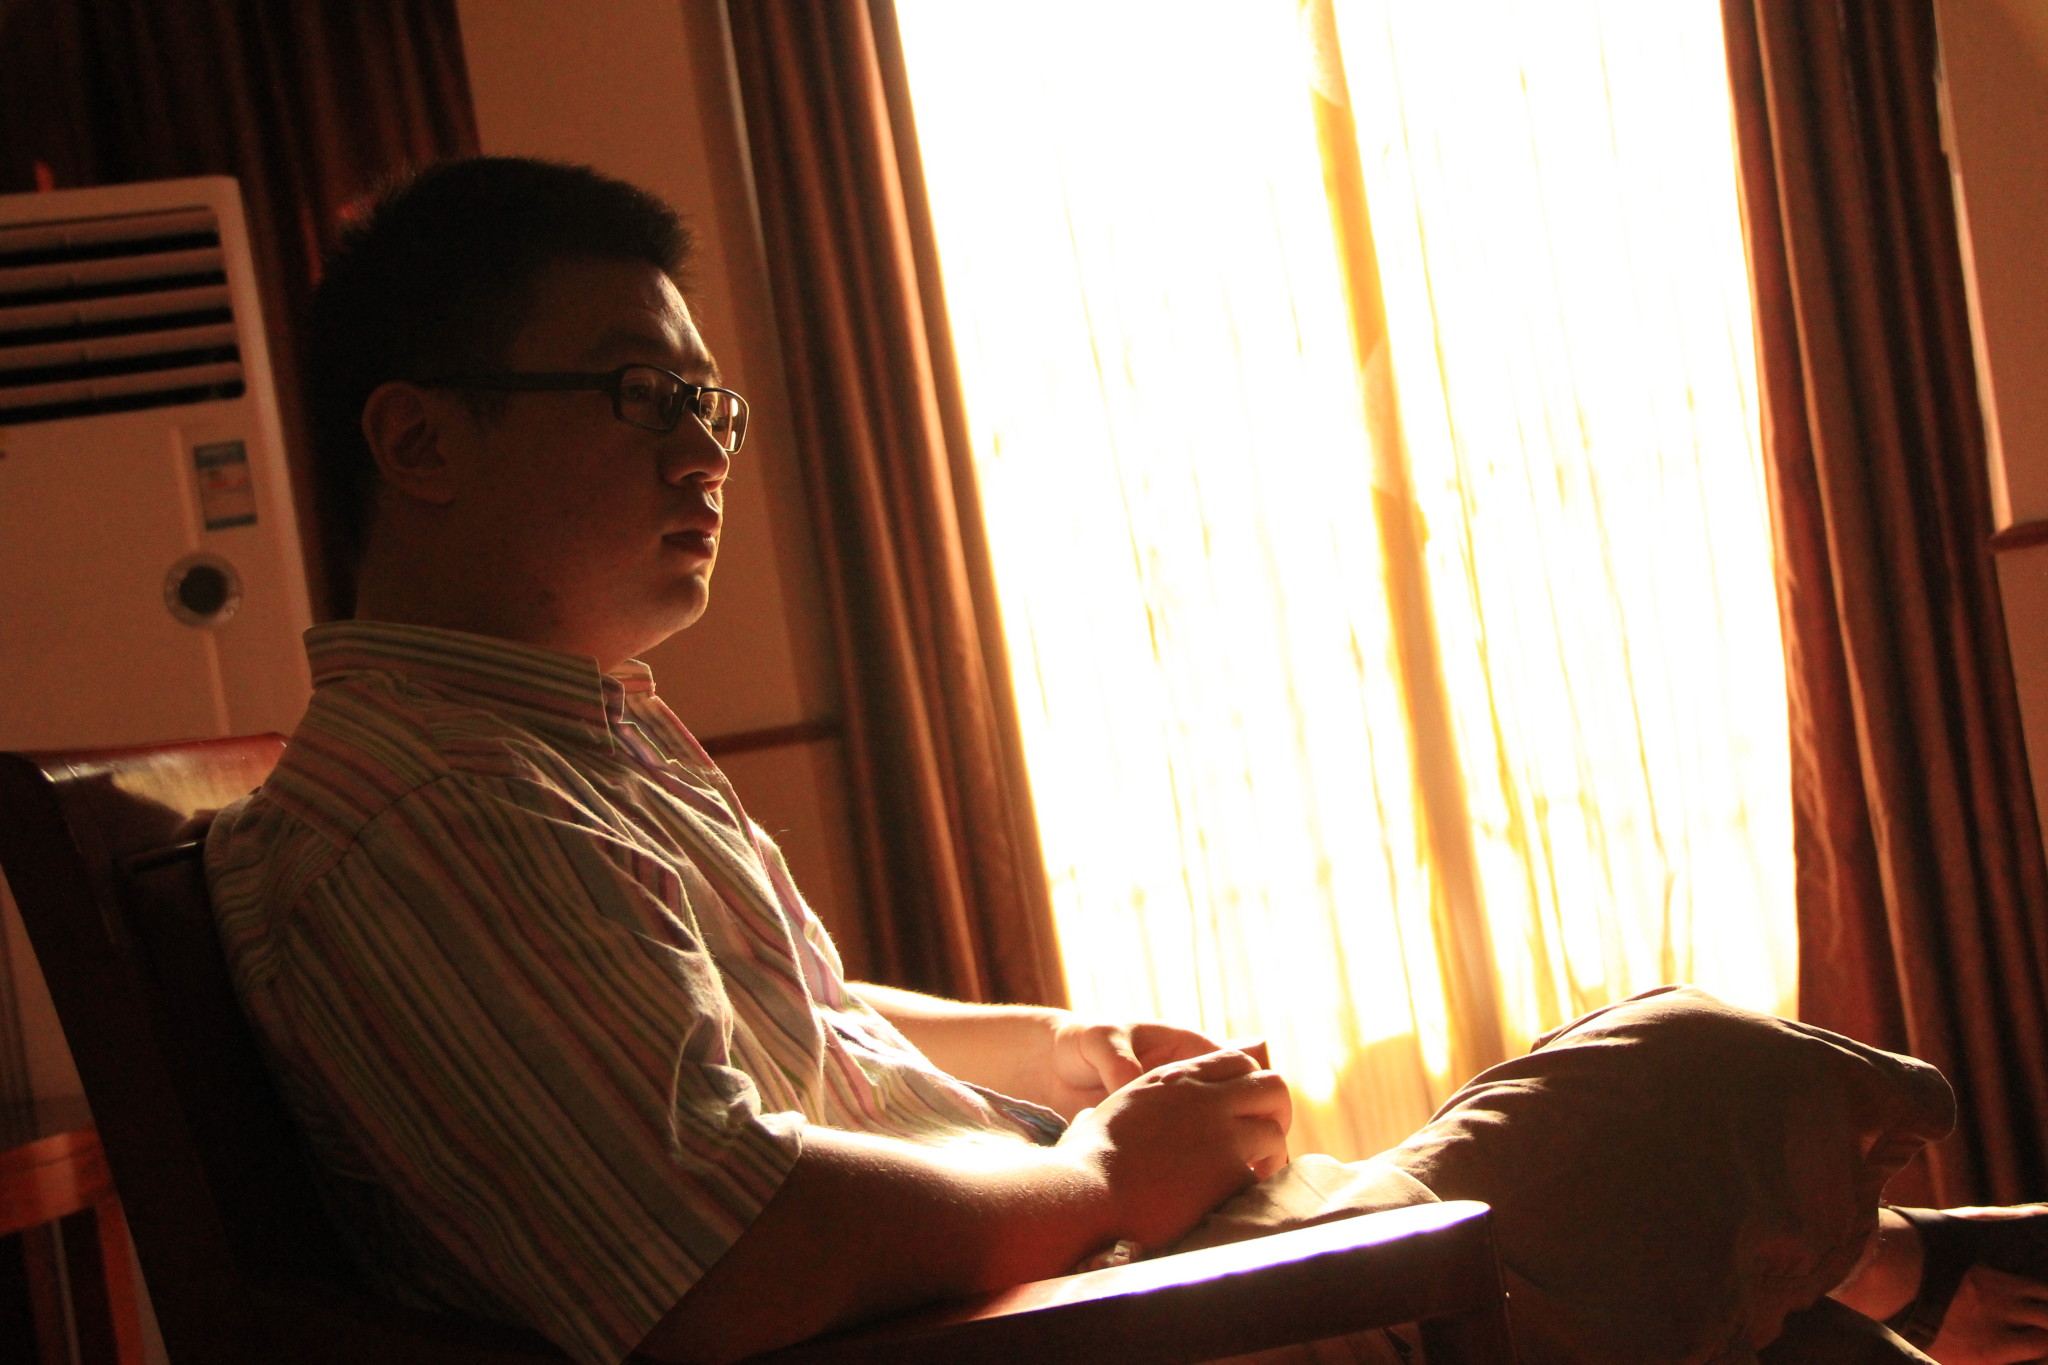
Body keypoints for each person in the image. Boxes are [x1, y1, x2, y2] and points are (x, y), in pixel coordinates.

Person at [205, 157, 2048, 1365]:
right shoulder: (446, 808)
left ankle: (1906, 1269)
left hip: (1101, 1286)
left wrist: (1066, 1048)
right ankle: (1929, 1264)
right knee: (1685, 1077)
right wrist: (1104, 1174)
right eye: (643, 394)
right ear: (418, 444)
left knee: (1729, 1239)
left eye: (714, 403)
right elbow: (725, 1254)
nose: (704, 450)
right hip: (1085, 1328)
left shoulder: (554, 741)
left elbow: (805, 1024)